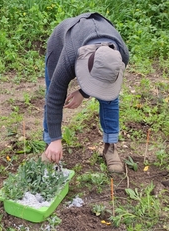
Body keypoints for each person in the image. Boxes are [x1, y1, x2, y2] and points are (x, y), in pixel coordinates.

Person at [42, 12, 129, 173]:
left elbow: (103, 82)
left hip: (93, 40)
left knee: (109, 97)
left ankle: (110, 147)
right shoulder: (68, 55)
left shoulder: (121, 55)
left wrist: (83, 93)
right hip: (60, 43)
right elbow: (54, 97)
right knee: (53, 94)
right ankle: (50, 145)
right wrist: (56, 139)